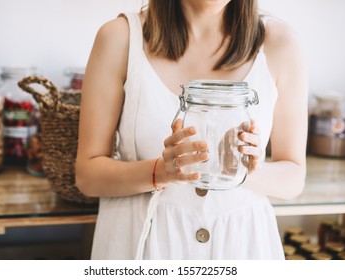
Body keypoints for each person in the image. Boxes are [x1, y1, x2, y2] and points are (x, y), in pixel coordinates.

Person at [75, 0, 308, 260]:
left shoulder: (280, 42)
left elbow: (294, 177)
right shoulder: (119, 37)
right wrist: (159, 172)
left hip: (242, 246)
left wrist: (245, 170)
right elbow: (87, 176)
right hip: (141, 245)